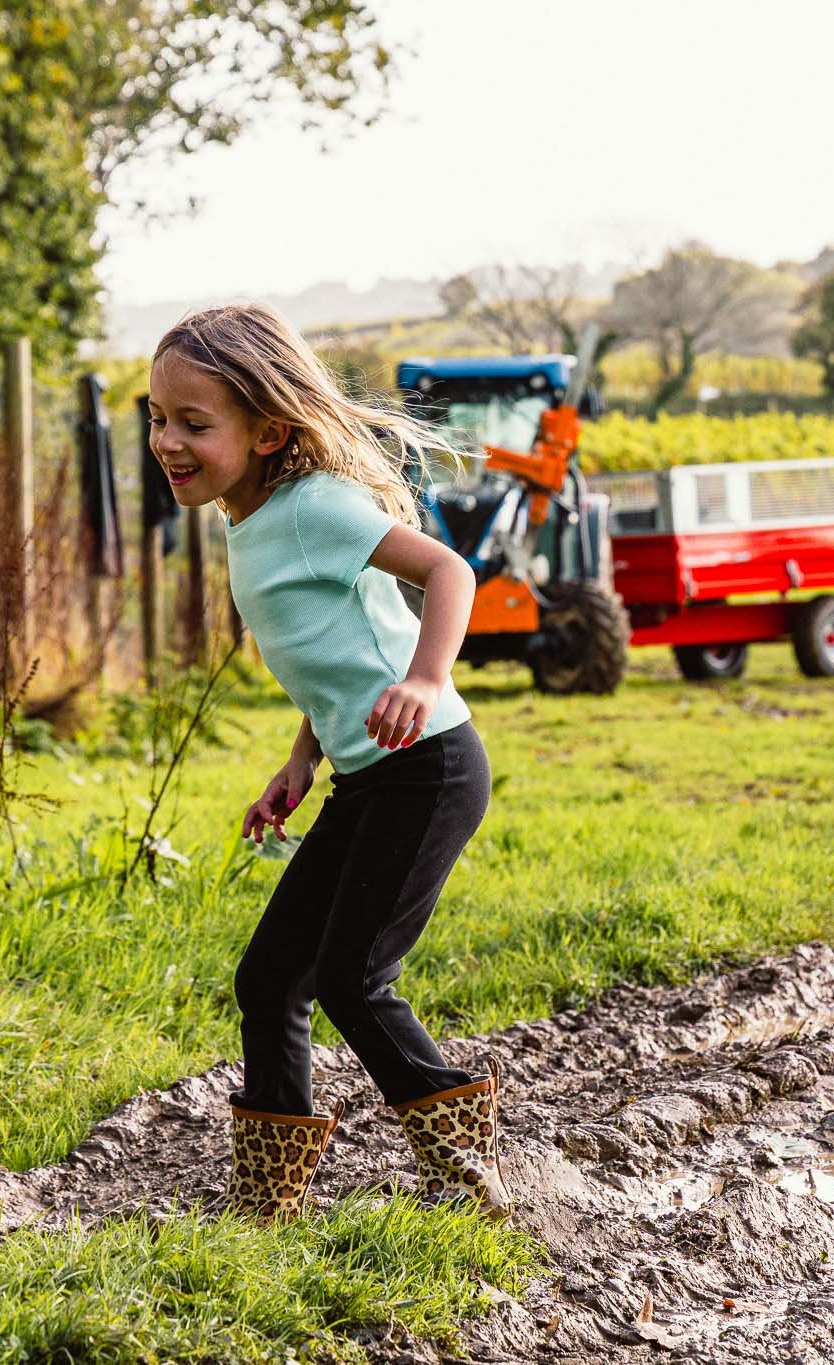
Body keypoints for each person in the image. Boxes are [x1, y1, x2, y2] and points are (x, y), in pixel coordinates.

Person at [146, 303, 509, 1223]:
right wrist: (301, 760)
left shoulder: (313, 507)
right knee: (271, 978)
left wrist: (427, 679)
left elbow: (449, 573)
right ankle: (266, 1202)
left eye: (196, 423)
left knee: (352, 978)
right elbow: (336, 650)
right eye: (158, 417)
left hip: (428, 767)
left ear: (269, 431)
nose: (169, 441)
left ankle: (471, 1183)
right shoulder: (249, 518)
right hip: (369, 774)